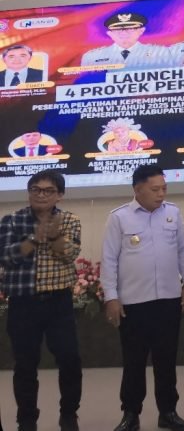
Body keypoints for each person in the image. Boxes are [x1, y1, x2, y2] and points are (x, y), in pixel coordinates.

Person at [100, 165, 184, 431]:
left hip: (168, 300)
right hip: (133, 303)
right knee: (134, 362)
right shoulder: (119, 218)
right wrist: (111, 298)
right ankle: (130, 414)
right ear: (137, 189)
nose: (161, 194)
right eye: (155, 189)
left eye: (164, 188)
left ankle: (168, 412)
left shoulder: (173, 214)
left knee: (166, 360)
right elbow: (108, 261)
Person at [0, 169, 83, 431]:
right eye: (35, 189)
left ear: (59, 194)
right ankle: (27, 420)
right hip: (23, 302)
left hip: (59, 302)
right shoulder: (11, 221)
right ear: (29, 192)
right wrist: (36, 238)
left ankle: (69, 415)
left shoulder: (69, 220)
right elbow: (6, 256)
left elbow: (68, 255)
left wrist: (55, 235)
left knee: (70, 359)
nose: (41, 195)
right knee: (25, 365)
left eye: (48, 190)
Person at [81, 12, 171, 69]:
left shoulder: (159, 52)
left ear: (141, 31)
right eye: (118, 29)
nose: (124, 32)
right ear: (110, 34)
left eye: (130, 28)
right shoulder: (92, 57)